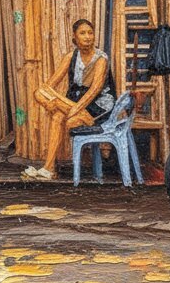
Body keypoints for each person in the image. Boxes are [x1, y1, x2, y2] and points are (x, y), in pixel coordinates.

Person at [24, 18, 116, 181]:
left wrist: (75, 109)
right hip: (75, 105)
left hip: (98, 107)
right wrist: (51, 102)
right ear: (75, 37)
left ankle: (50, 167)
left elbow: (94, 90)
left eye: (90, 33)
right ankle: (49, 169)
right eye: (82, 33)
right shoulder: (71, 57)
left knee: (60, 115)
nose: (87, 37)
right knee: (42, 96)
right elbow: (49, 85)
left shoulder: (101, 58)